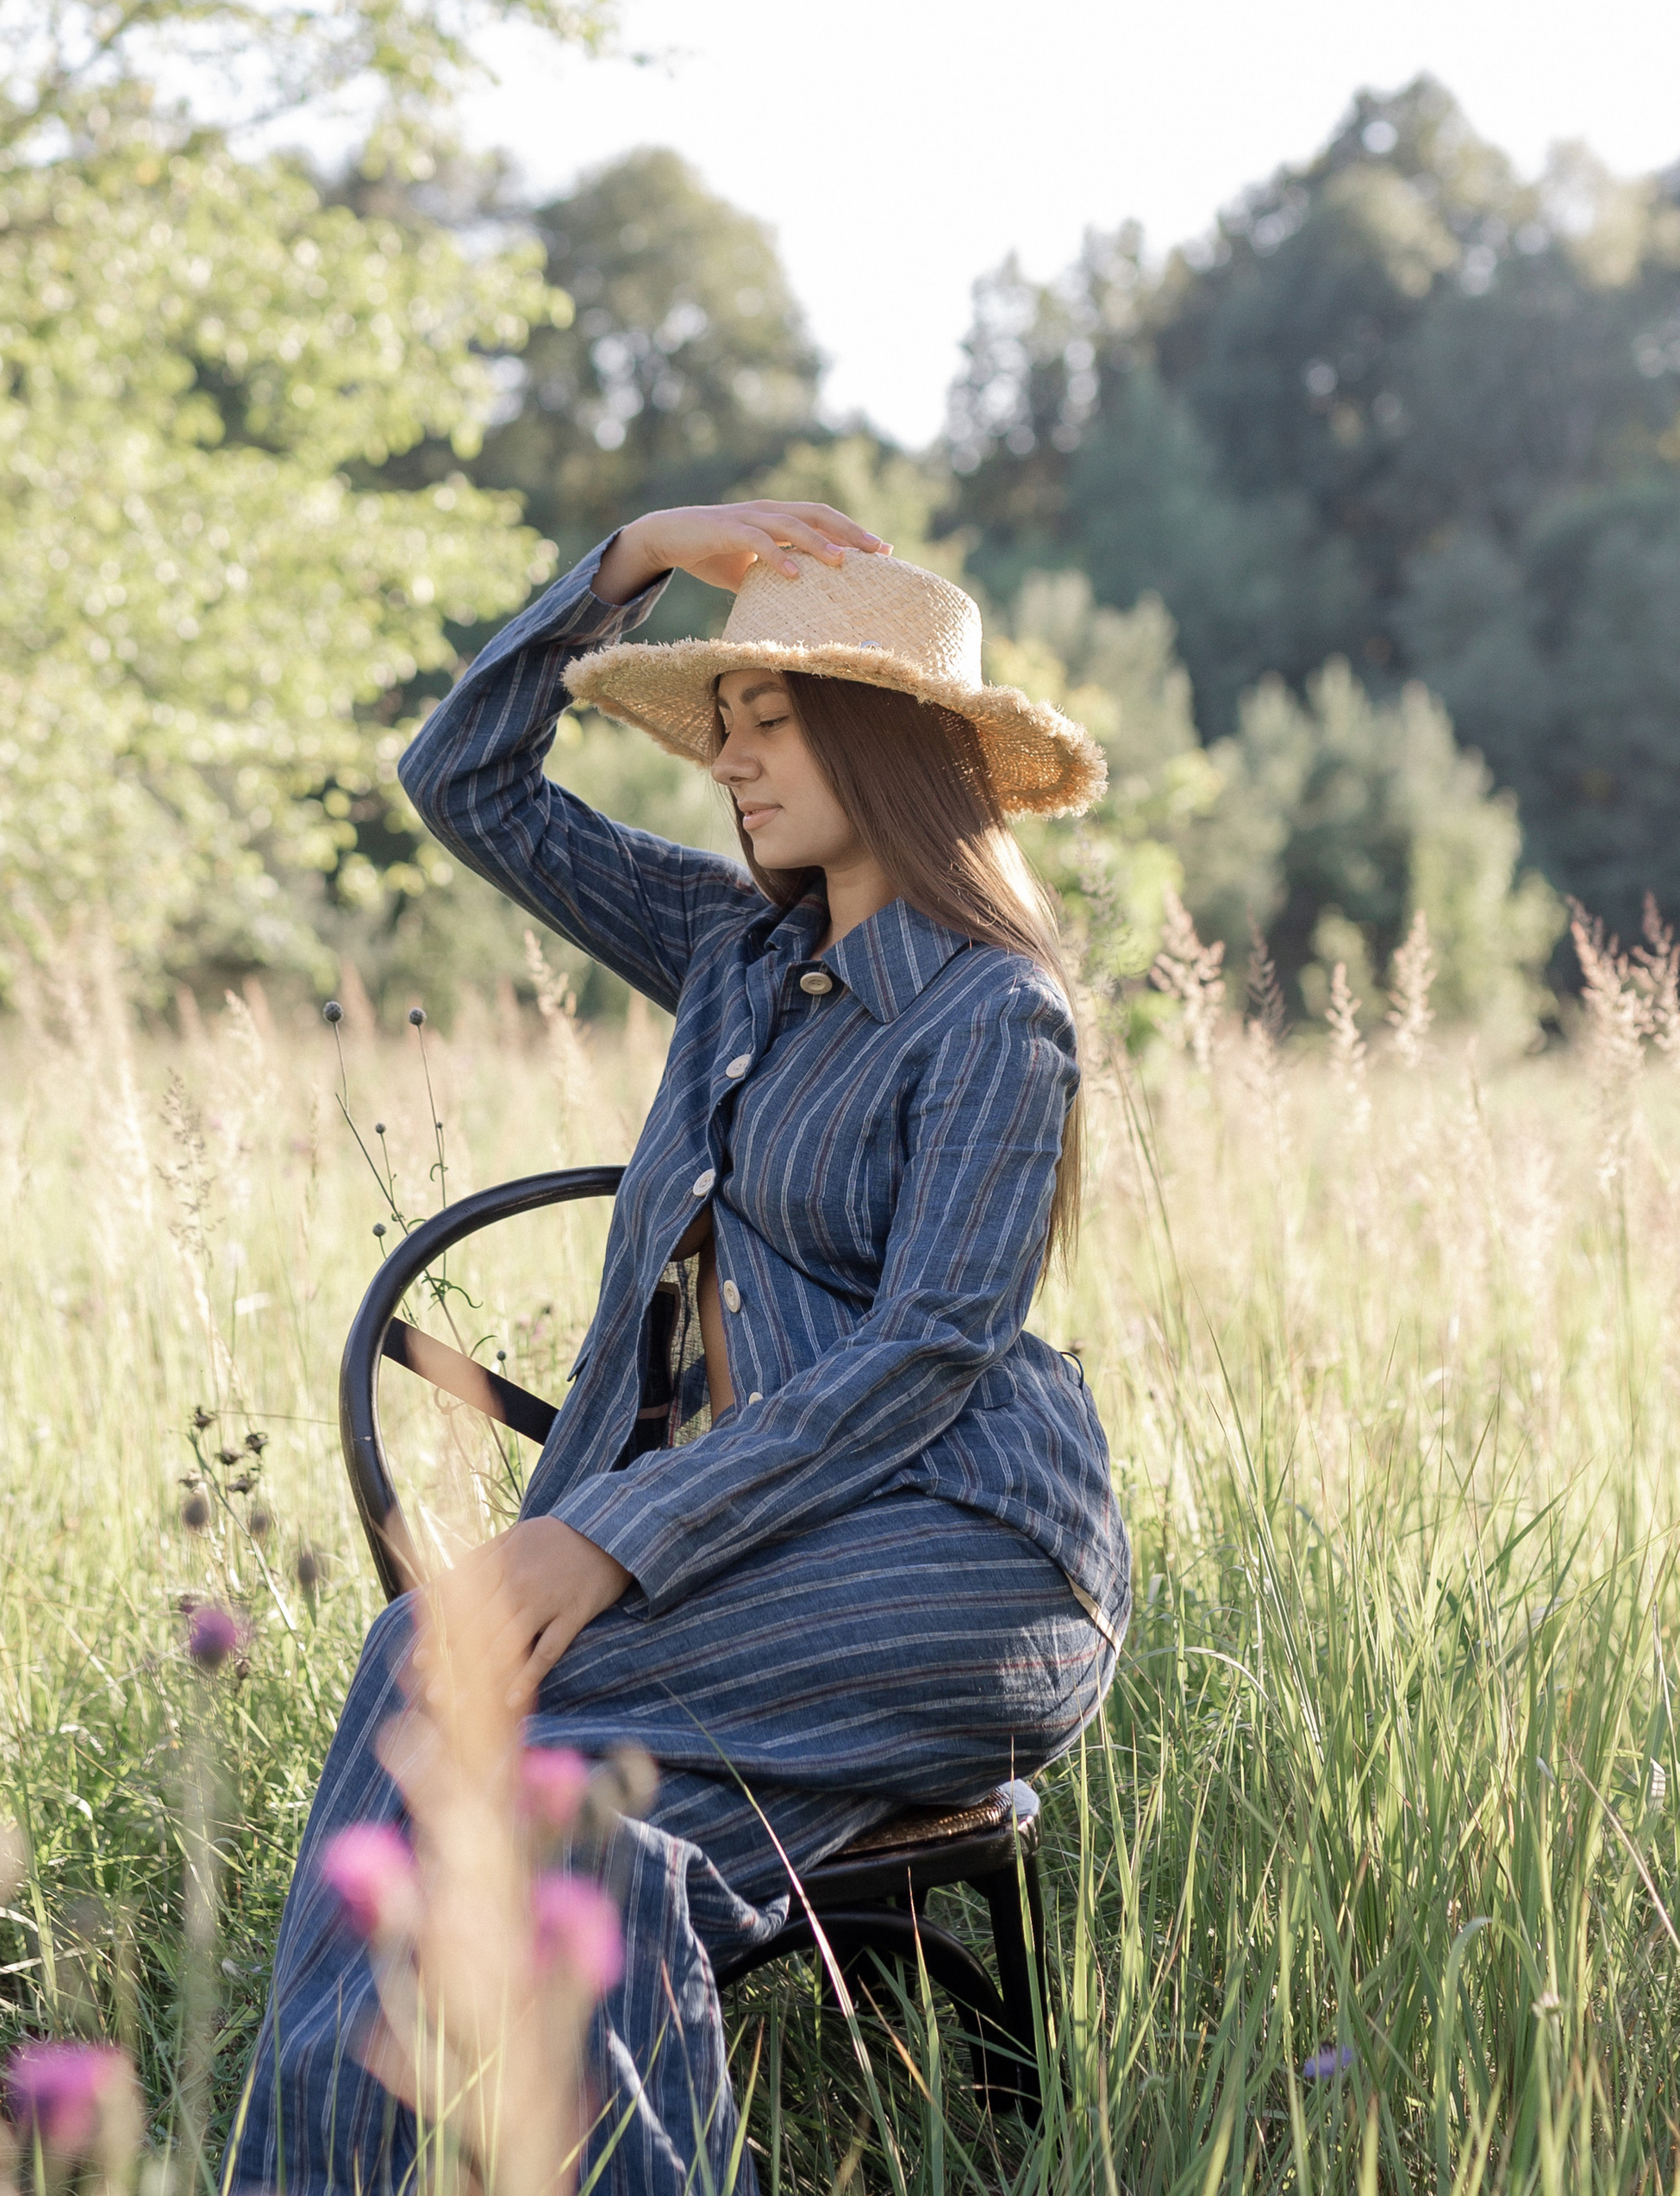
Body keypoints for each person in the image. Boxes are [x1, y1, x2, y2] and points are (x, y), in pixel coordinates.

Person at [226, 501, 1134, 2196]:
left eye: (771, 715)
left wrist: (605, 1533)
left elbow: (925, 1353)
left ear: (890, 740)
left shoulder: (995, 1015)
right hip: (753, 1554)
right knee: (588, 1851)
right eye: (721, 719)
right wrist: (632, 554)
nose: (729, 753)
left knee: (462, 1681)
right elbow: (463, 782)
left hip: (971, 1552)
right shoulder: (729, 947)